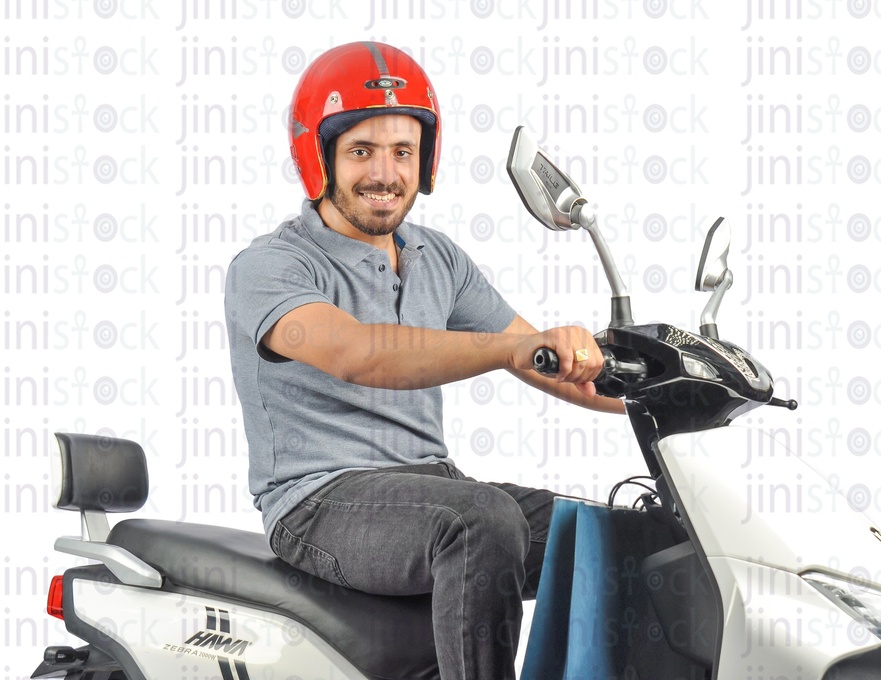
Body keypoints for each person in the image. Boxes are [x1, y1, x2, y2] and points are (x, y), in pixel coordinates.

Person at [224, 41, 624, 680]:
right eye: (362, 151)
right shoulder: (272, 266)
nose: (385, 173)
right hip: (318, 501)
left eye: (402, 152)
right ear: (319, 157)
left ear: (426, 158)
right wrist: (511, 349)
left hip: (431, 486)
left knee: (618, 538)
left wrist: (667, 396)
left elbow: (541, 359)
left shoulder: (436, 257)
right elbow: (359, 355)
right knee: (481, 520)